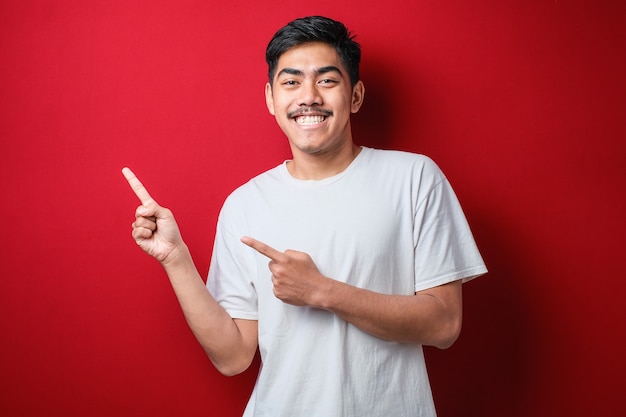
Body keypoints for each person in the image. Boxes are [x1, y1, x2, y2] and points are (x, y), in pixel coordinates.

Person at [123, 15, 486, 417]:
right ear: (270, 99)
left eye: (327, 80)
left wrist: (321, 291)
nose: (308, 96)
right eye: (291, 82)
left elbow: (444, 324)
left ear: (355, 95)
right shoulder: (245, 204)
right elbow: (233, 356)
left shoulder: (414, 178)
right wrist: (176, 260)